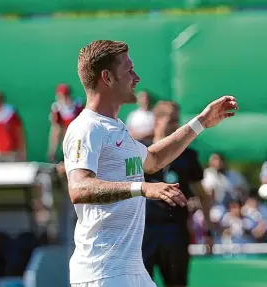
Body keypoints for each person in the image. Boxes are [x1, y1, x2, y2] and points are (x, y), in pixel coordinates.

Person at [62, 40, 238, 287]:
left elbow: (153, 159)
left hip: (131, 272)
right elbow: (79, 188)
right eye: (128, 70)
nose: (136, 77)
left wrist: (201, 122)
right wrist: (142, 188)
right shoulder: (87, 128)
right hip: (103, 272)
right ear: (107, 77)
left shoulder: (116, 128)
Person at [142, 101, 215, 287]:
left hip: (175, 230)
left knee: (177, 283)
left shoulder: (188, 156)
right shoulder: (139, 151)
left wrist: (208, 231)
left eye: (177, 120)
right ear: (157, 120)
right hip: (143, 230)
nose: (176, 125)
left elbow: (203, 195)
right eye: (172, 120)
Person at [48, 83, 85, 162]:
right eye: (60, 96)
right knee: (56, 130)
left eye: (65, 95)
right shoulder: (56, 107)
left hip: (77, 132)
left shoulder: (78, 105)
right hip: (64, 133)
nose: (63, 98)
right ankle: (53, 153)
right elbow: (55, 126)